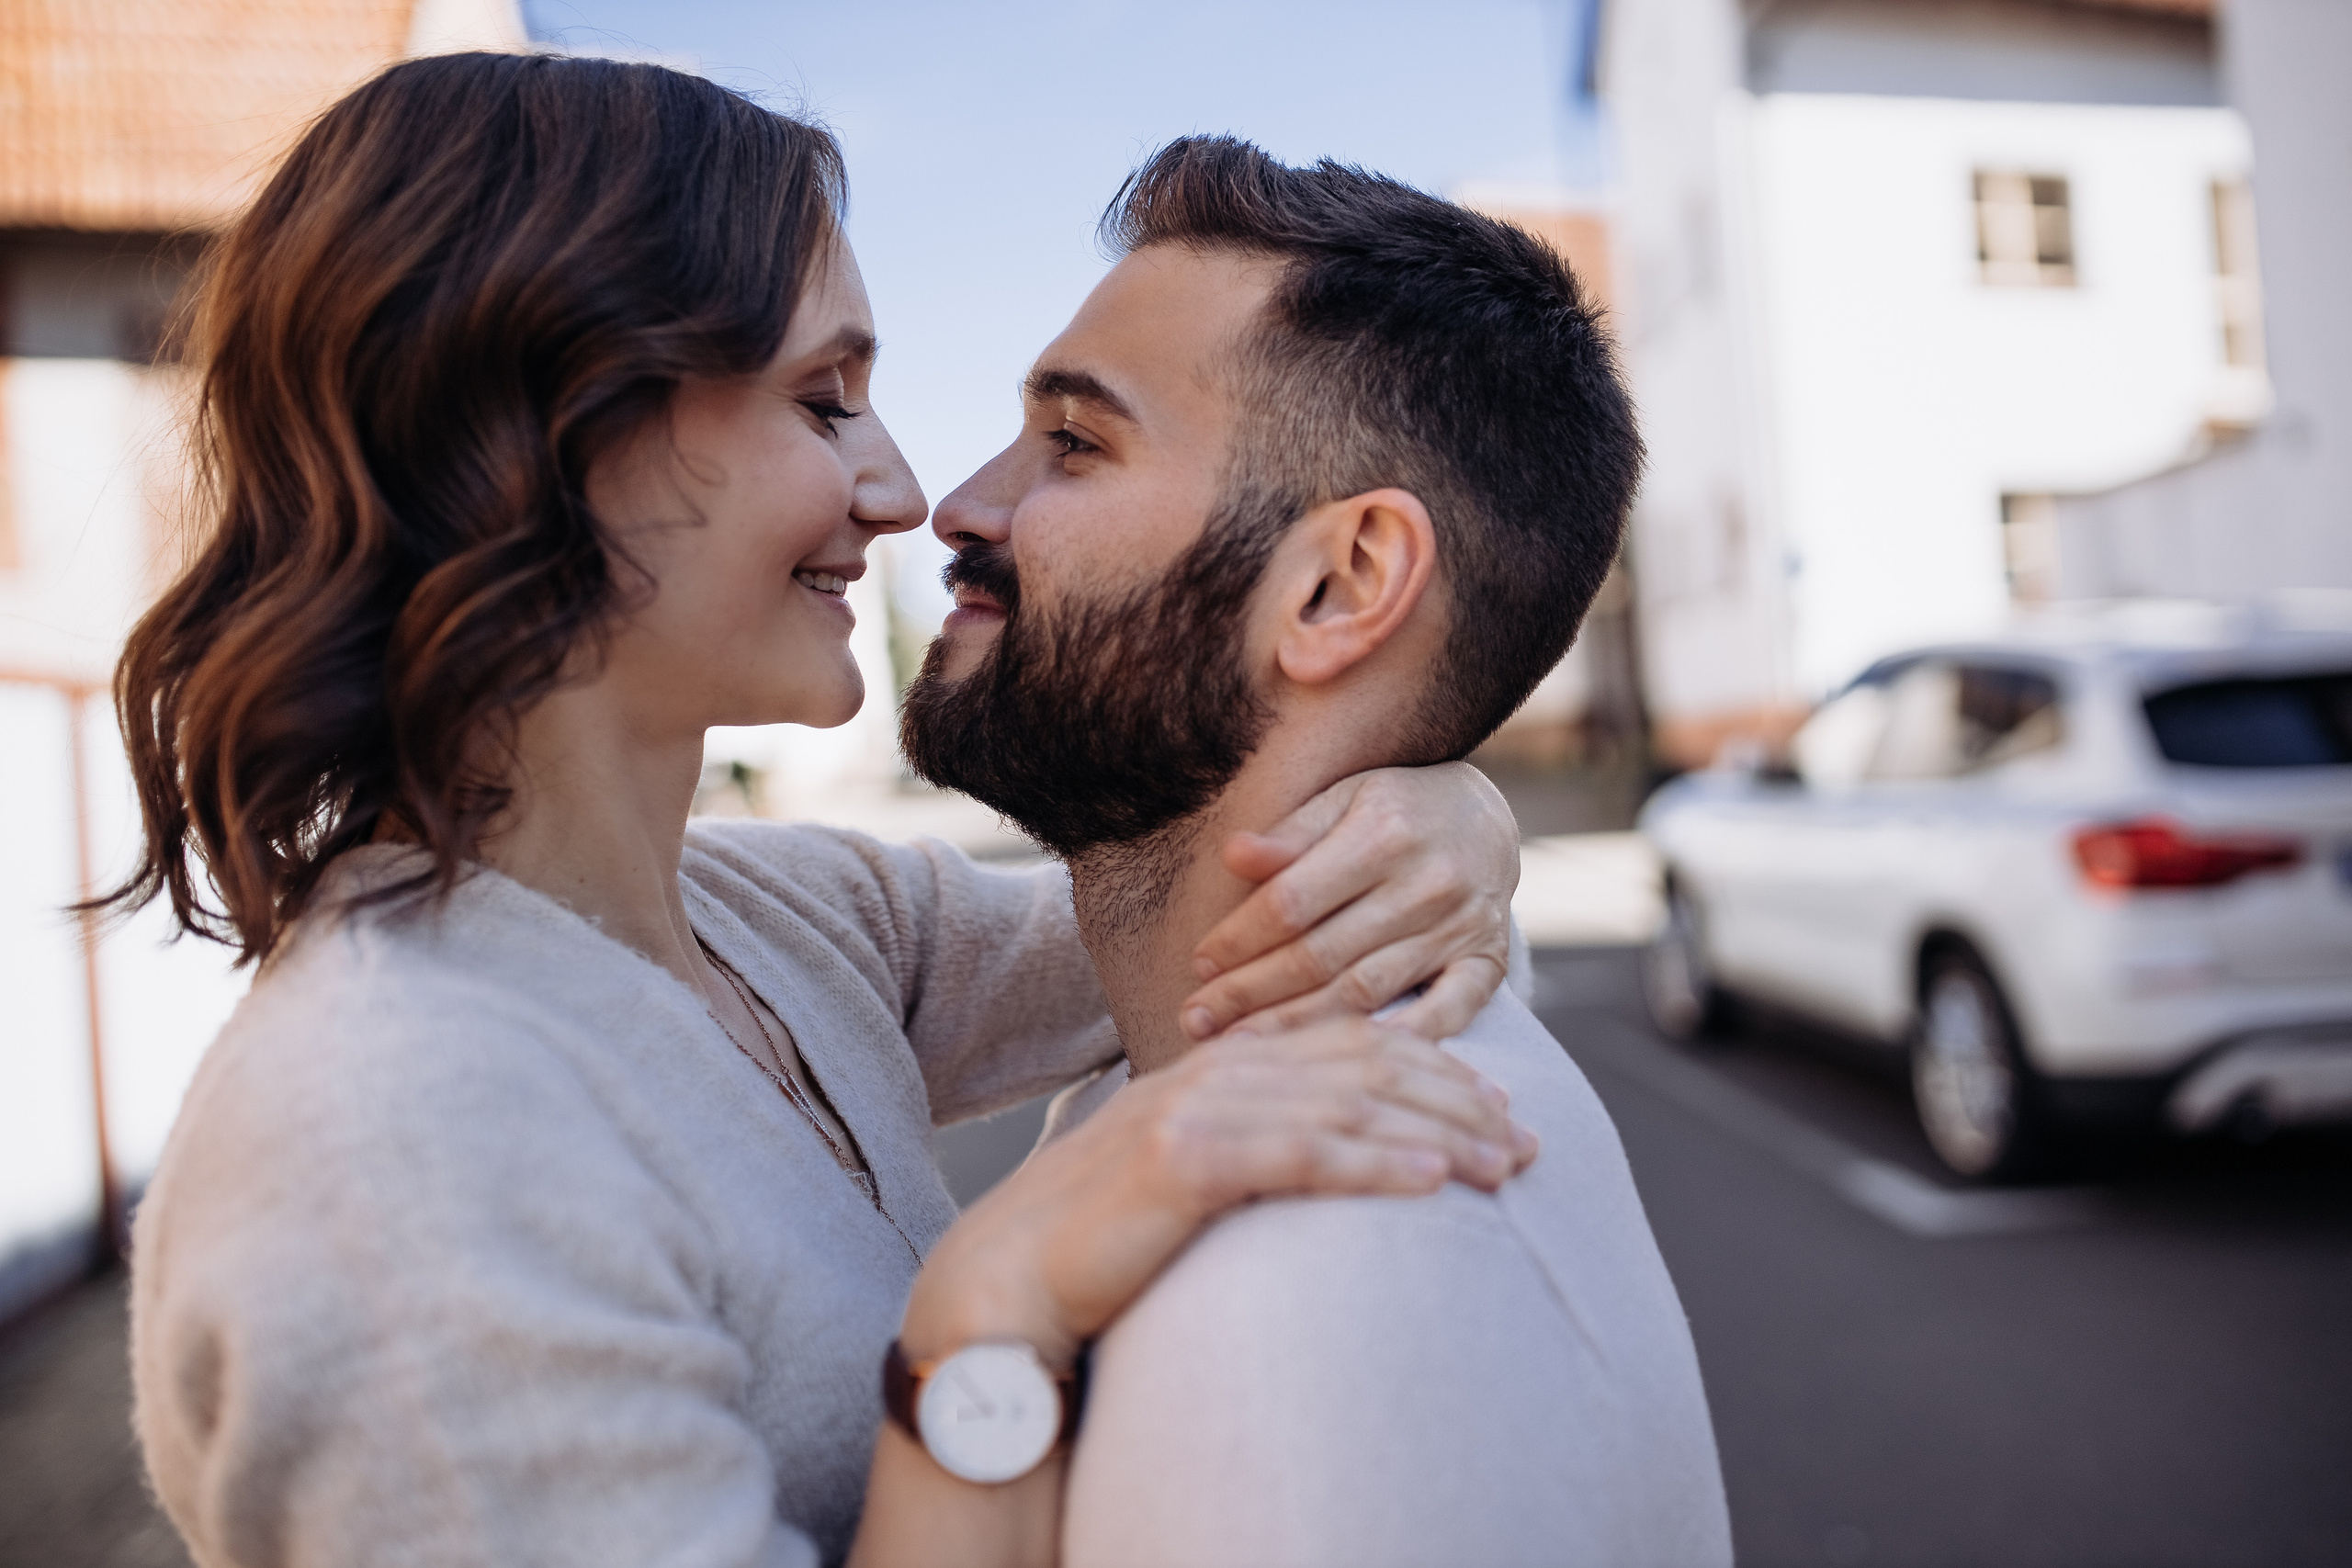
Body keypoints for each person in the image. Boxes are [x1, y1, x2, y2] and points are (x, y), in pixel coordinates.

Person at [114, 59, 1542, 1568]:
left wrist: (1445, 803)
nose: (903, 491)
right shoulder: (387, 1141)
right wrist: (993, 1311)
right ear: (544, 434)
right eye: (822, 401)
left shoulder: (778, 924)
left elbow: (1201, 927)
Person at [900, 137, 1733, 1567]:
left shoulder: (1286, 1314)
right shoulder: (1206, 1072)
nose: (959, 506)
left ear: (1342, 586)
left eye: (1075, 443)